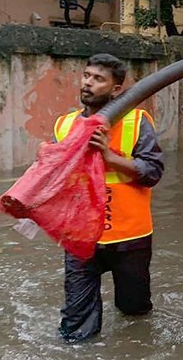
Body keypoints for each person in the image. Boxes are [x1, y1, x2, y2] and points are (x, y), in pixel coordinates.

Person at [53, 54, 164, 342]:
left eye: (98, 79)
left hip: (130, 237)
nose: (88, 83)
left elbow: (153, 172)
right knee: (76, 327)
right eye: (86, 76)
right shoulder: (64, 126)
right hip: (81, 237)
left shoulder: (137, 122)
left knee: (134, 312)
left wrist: (109, 158)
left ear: (116, 89)